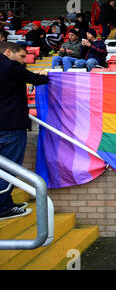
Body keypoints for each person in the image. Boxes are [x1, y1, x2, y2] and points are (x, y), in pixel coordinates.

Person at [0, 42, 49, 221]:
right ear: (8, 52)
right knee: (9, 168)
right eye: (21, 56)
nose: (23, 60)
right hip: (10, 126)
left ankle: (7, 203)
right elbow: (39, 80)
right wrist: (44, 74)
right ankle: (3, 207)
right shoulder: (10, 66)